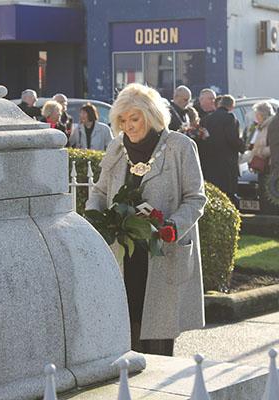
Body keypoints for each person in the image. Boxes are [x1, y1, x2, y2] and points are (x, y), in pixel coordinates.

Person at [86, 83, 207, 356]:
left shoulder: (180, 146)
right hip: (124, 254)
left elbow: (196, 198)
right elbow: (101, 191)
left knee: (159, 337)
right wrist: (94, 218)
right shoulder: (117, 148)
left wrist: (171, 227)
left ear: (150, 115)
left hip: (163, 252)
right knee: (127, 332)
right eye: (123, 120)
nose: (128, 126)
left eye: (134, 118)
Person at [203, 95, 245, 205]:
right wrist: (243, 147)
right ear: (232, 106)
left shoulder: (207, 119)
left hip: (210, 163)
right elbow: (232, 139)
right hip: (227, 162)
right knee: (229, 194)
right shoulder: (230, 117)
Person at [248, 101, 276, 214]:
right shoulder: (261, 127)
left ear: (263, 115)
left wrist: (260, 151)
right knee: (263, 195)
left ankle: (270, 221)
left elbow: (273, 147)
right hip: (263, 166)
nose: (256, 117)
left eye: (257, 115)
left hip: (269, 166)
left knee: (269, 195)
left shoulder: (272, 126)